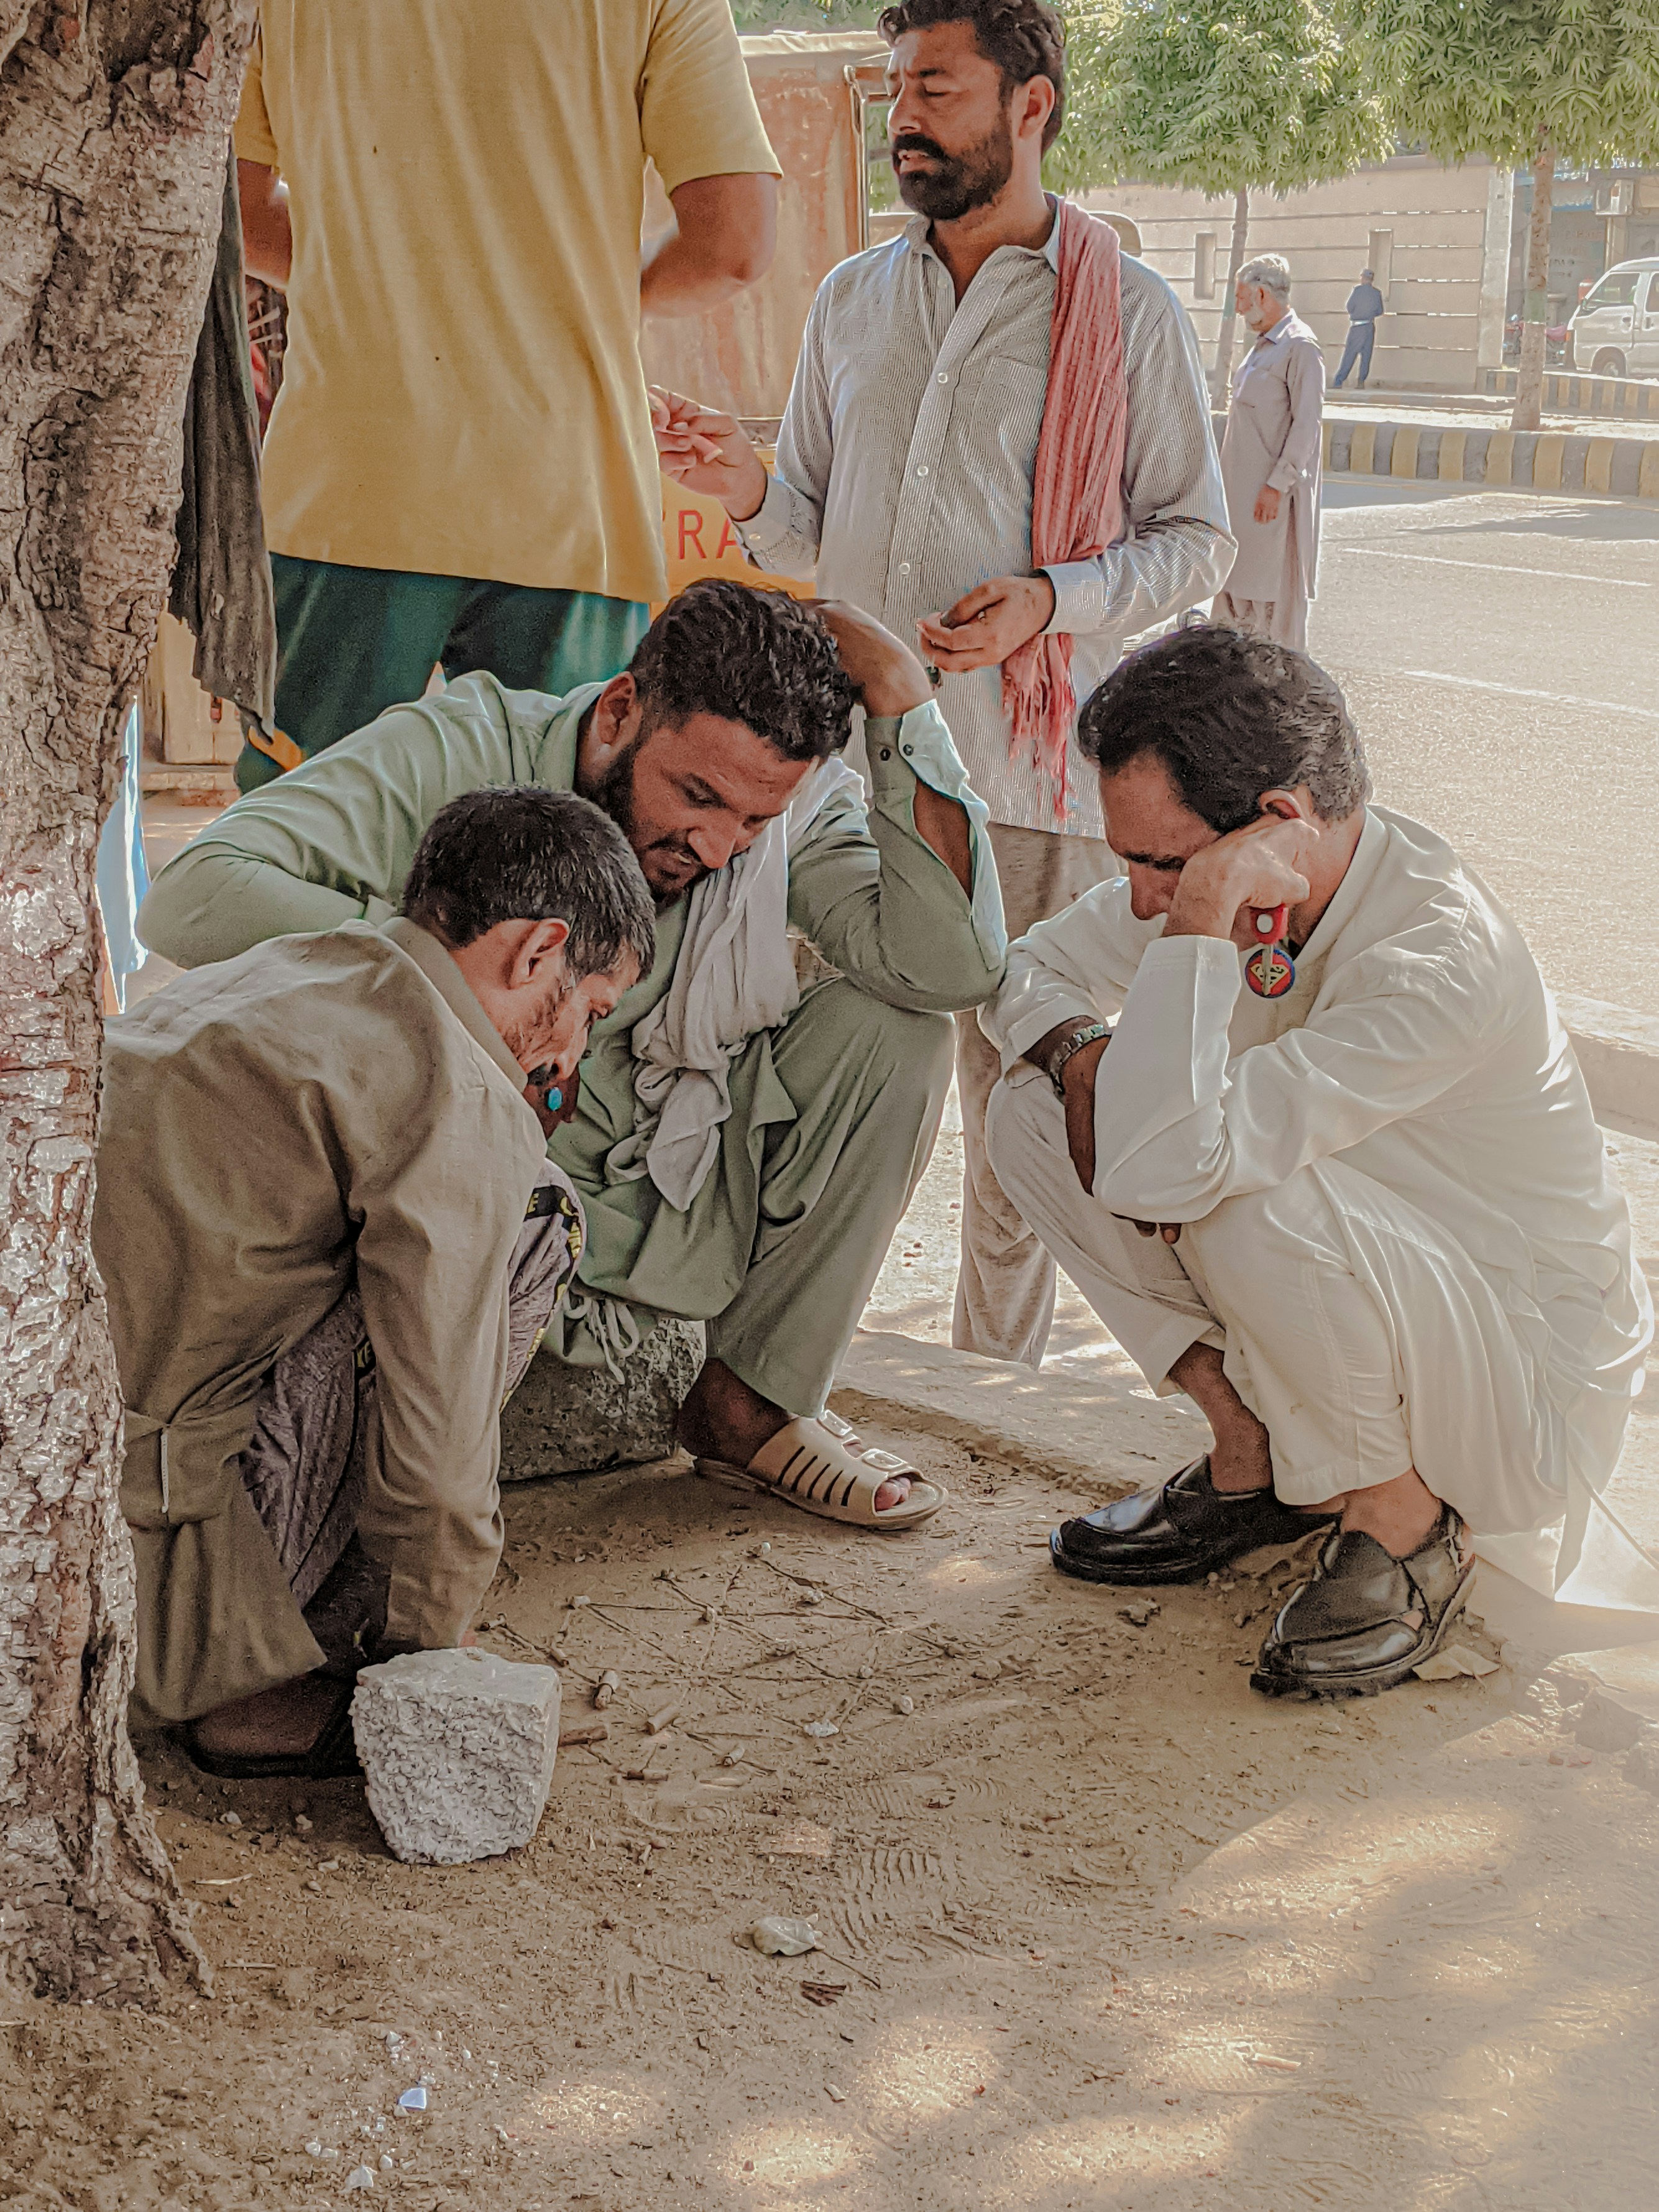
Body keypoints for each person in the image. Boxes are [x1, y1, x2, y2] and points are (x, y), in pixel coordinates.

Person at [139, 579, 1007, 1538]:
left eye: (753, 821)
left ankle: (753, 1402)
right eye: (697, 795)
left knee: (900, 1034)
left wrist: (901, 700)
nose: (718, 848)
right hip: (452, 1186)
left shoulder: (776, 822)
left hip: (657, 1202)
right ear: (621, 708)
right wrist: (460, 965)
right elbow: (192, 893)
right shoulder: (469, 746)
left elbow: (952, 968)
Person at [651, 0, 1232, 1374]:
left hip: (1025, 776)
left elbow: (1195, 540)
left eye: (935, 88)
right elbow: (800, 520)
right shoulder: (853, 296)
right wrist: (741, 487)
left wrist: (1051, 599)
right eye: (895, 87)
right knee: (780, 1065)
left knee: (1015, 1105)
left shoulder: (1125, 310)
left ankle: (992, 1385)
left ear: (1027, 106)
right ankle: (758, 1369)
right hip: (843, 774)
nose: (902, 117)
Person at [980, 627, 1652, 1699]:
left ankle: (1402, 1519)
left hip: (1513, 1380)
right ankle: (1254, 1456)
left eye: (1161, 865)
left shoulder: (1432, 961)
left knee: (1231, 1187)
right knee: (1030, 1106)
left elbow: (1168, 1170)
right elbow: (1027, 965)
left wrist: (1199, 927)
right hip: (1361, 1295)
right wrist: (1078, 1052)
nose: (1142, 899)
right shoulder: (1228, 881)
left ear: (1277, 823)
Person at [96, 789, 657, 1774]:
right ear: (538, 954)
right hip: (139, 1552)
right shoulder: (454, 1080)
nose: (570, 1056)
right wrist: (435, 1656)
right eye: (591, 1011)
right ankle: (243, 1683)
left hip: (51, 1486)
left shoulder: (277, 972)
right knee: (535, 1214)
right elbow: (434, 1422)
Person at [231, 0, 781, 787]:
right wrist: (578, 293)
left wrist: (367, 276)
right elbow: (734, 243)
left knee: (303, 834)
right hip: (569, 497)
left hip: (346, 487)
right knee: (551, 853)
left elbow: (235, 205)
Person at [1214, 255, 1324, 653]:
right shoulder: (1261, 349)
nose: (1240, 307)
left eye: (1243, 298)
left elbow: (1307, 426)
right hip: (1240, 504)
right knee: (1233, 596)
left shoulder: (1300, 348)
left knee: (1268, 606)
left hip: (1269, 505)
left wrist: (1277, 485)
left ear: (1262, 293)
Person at [1333, 267, 1386, 389]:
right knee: (1366, 355)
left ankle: (1339, 381)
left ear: (1363, 278)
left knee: (1350, 355)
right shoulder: (1377, 293)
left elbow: (1350, 307)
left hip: (1357, 327)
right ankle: (1361, 381)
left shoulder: (1357, 291)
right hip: (1369, 326)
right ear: (1372, 280)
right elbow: (1380, 311)